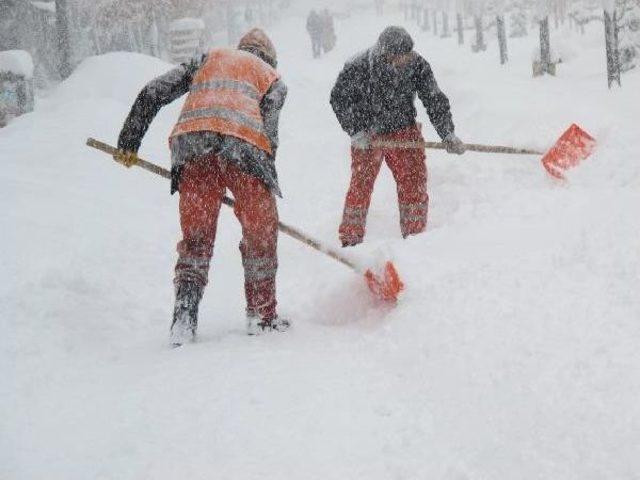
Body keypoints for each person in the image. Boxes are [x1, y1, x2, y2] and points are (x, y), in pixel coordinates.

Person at [115, 28, 289, 346]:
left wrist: (129, 141)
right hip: (244, 150)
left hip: (193, 147)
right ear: (270, 58)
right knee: (260, 235)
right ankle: (261, 316)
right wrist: (259, 186)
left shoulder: (208, 58)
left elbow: (154, 91)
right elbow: (270, 135)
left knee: (196, 240)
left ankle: (183, 320)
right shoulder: (273, 78)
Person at [329, 26, 465, 247]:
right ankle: (351, 241)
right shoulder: (358, 66)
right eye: (400, 56)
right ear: (386, 54)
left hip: (404, 131)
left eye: (407, 55)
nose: (405, 60)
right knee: (360, 187)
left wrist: (447, 132)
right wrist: (355, 130)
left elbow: (433, 99)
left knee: (414, 184)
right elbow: (338, 99)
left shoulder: (417, 64)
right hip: (368, 135)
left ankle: (415, 238)